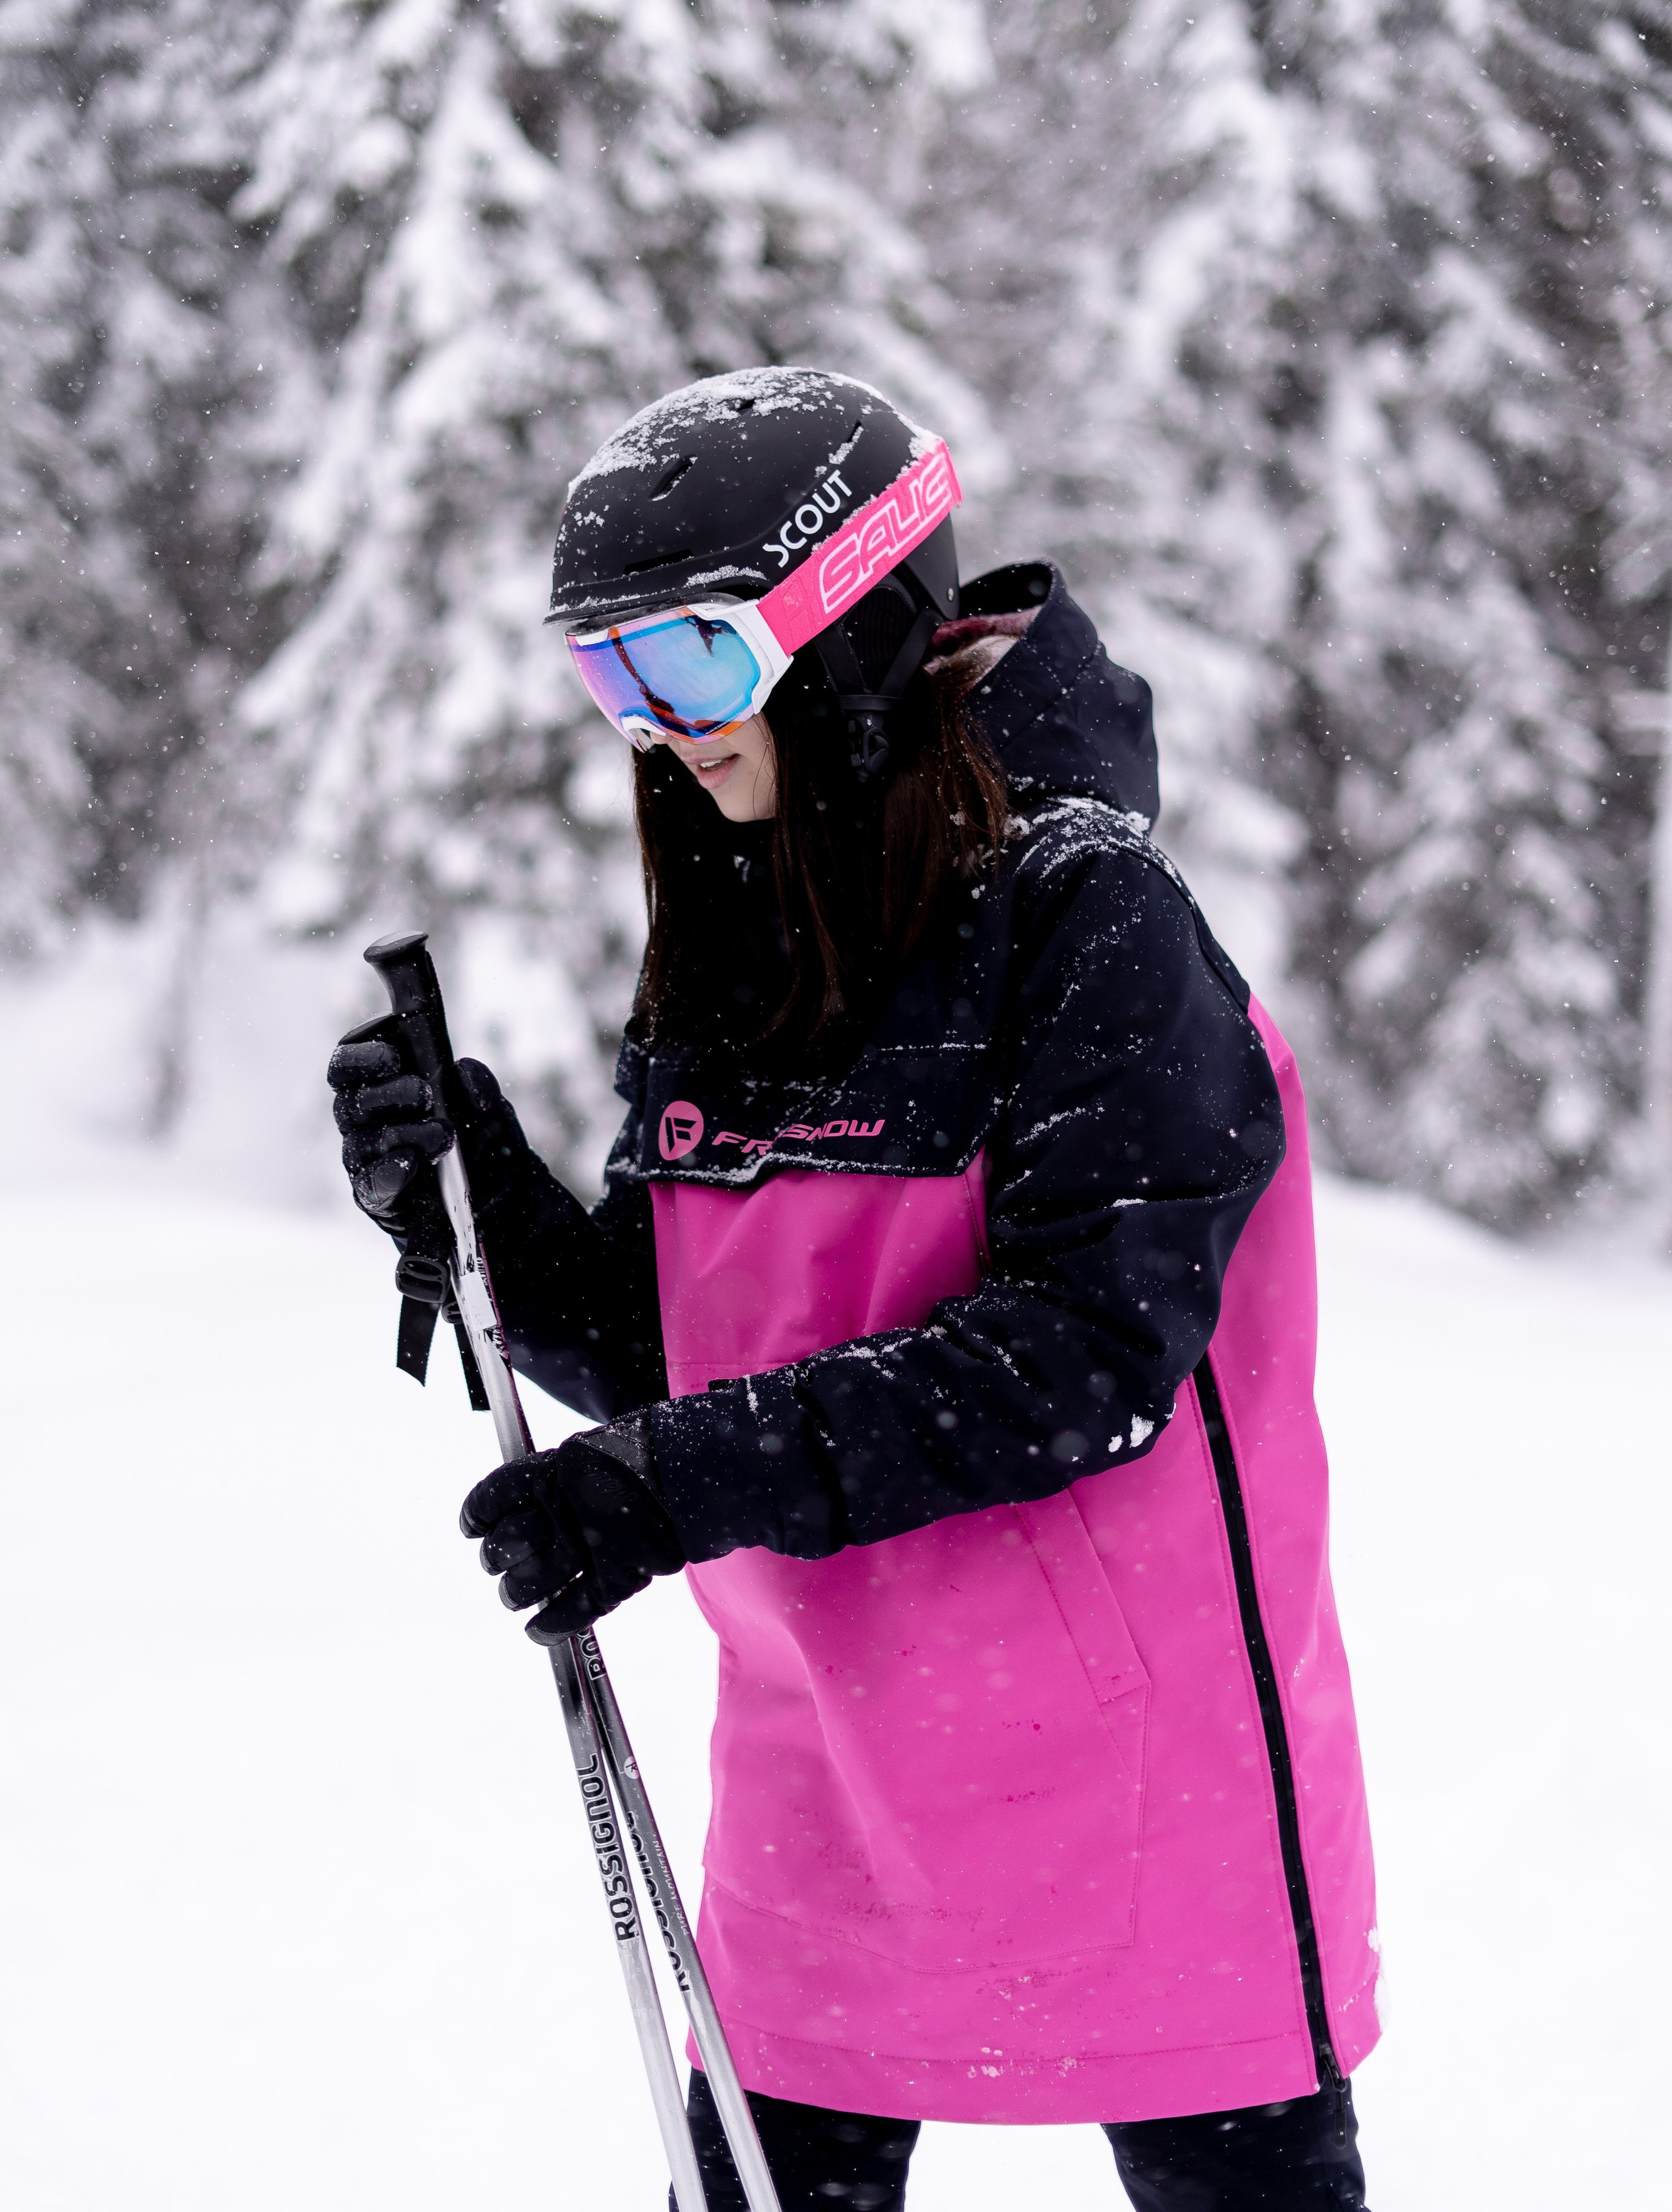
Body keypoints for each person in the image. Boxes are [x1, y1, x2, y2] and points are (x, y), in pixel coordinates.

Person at [329, 369, 1378, 2211]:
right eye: (613, 681)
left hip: (1143, 1766)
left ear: (850, 629)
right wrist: (468, 1201)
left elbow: (1086, 1354)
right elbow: (684, 1347)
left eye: (696, 670)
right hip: (829, 1755)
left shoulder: (1090, 919)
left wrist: (676, 1483)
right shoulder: (742, 924)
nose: (656, 733)